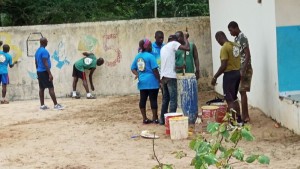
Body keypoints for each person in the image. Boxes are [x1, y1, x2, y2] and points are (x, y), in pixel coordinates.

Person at [159, 31, 190, 125]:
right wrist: (185, 38)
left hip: (163, 77)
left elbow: (169, 64)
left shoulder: (164, 48)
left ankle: (162, 120)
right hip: (170, 77)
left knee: (165, 99)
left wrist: (180, 67)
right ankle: (170, 121)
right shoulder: (173, 43)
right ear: (175, 40)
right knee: (173, 100)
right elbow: (187, 48)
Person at [211, 31, 242, 124]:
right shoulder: (235, 45)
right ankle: (239, 120)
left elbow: (223, 65)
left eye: (217, 40)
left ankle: (232, 122)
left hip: (229, 75)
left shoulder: (224, 48)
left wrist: (215, 77)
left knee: (229, 100)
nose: (218, 43)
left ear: (219, 38)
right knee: (234, 97)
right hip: (237, 73)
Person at [228, 21, 253, 123]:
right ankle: (244, 115)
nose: (230, 33)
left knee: (242, 91)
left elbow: (247, 54)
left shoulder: (242, 37)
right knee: (241, 91)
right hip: (240, 68)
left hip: (245, 68)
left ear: (235, 28)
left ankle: (245, 117)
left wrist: (243, 69)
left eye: (230, 30)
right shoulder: (236, 38)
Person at [131, 39, 160, 124]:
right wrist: (159, 80)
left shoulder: (138, 56)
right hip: (152, 82)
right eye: (150, 45)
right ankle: (155, 118)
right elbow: (155, 69)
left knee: (142, 99)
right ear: (146, 46)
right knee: (153, 100)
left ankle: (145, 118)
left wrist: (138, 74)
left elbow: (132, 68)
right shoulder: (151, 56)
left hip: (142, 82)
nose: (151, 47)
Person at [35, 37, 63, 110]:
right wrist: (49, 74)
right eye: (46, 41)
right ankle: (56, 105)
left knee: (41, 88)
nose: (47, 42)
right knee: (51, 88)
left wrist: (37, 71)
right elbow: (45, 62)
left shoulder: (37, 51)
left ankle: (42, 105)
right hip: (44, 72)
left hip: (39, 71)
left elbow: (36, 62)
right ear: (44, 42)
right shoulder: (44, 51)